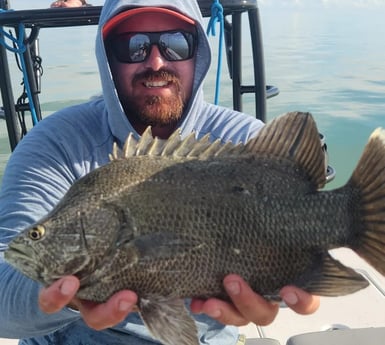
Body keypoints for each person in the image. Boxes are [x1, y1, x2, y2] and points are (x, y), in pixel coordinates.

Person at [0, 0, 319, 344]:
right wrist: (74, 296)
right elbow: (4, 299)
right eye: (132, 46)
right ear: (107, 58)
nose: (155, 61)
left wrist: (307, 278)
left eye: (177, 42)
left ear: (199, 51)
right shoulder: (57, 143)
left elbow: (295, 263)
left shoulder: (244, 143)